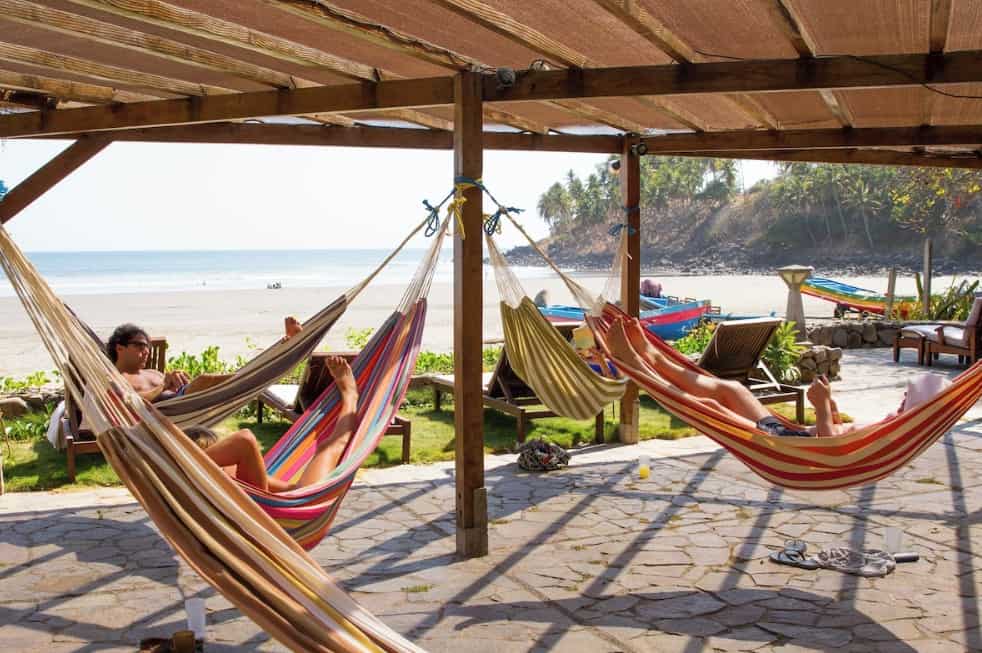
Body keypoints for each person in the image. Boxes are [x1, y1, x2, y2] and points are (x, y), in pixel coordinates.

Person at [605, 317, 827, 437]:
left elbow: (830, 451)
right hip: (792, 436)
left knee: (711, 408)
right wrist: (830, 412)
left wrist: (823, 407)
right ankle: (654, 357)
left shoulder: (847, 456)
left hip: (786, 446)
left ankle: (636, 365)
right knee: (733, 389)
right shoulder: (854, 445)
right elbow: (831, 438)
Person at [184, 355, 359, 492]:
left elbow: (290, 489)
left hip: (291, 503)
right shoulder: (211, 472)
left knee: (329, 447)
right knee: (331, 447)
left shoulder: (227, 470)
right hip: (287, 513)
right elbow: (244, 439)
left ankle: (350, 397)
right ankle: (350, 396)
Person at [107, 317, 303, 402]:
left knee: (212, 381)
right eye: (140, 346)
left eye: (147, 347)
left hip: (189, 402)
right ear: (120, 348)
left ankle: (279, 352)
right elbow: (129, 404)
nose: (146, 351)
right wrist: (164, 386)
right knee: (205, 379)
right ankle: (265, 369)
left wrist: (175, 378)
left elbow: (177, 388)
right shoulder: (116, 379)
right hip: (170, 411)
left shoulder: (152, 372)